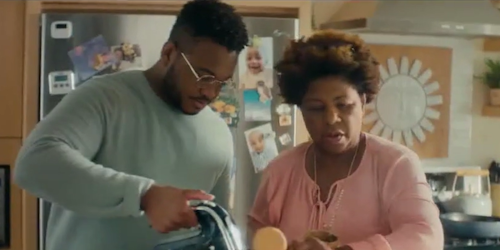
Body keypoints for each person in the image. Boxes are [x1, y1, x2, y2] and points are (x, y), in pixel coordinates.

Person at [14, 1, 248, 250]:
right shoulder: (105, 98)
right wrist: (143, 194)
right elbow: (33, 163)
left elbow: (218, 232)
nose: (211, 92)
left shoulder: (219, 135)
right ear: (168, 53)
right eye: (204, 76)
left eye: (222, 83)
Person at [248, 30, 443, 250]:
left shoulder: (396, 164)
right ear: (301, 109)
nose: (331, 118)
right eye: (316, 108)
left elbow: (426, 237)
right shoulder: (280, 172)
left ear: (362, 101)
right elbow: (259, 238)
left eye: (343, 105)